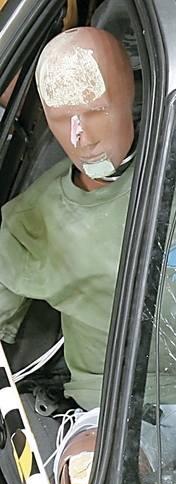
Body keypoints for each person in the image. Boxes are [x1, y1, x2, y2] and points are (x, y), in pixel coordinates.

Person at [0, 27, 137, 412]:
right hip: (106, 403)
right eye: (62, 119)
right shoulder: (33, 220)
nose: (82, 138)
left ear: (130, 94)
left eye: (95, 111)